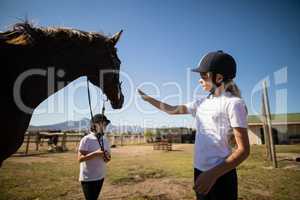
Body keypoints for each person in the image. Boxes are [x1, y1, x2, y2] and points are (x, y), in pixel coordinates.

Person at [138, 50, 250, 200]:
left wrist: (212, 175)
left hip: (221, 175)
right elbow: (171, 110)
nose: (200, 80)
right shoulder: (201, 103)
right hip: (199, 171)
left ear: (219, 77)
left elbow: (243, 150)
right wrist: (148, 99)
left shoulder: (234, 103)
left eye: (204, 75)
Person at [77, 114, 111, 200]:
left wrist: (107, 157)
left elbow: (108, 159)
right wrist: (96, 154)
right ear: (96, 125)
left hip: (100, 176)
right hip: (88, 178)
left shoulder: (105, 139)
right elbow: (80, 159)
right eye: (104, 124)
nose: (105, 127)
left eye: (106, 125)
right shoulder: (86, 139)